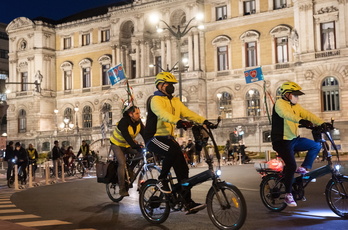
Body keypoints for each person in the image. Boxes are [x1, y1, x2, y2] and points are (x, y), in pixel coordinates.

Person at [144, 72, 214, 214]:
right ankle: (162, 178)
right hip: (154, 138)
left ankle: (187, 202)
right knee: (172, 151)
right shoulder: (155, 100)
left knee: (183, 169)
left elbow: (187, 112)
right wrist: (178, 121)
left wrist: (204, 121)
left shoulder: (175, 101)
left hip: (168, 138)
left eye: (173, 85)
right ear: (161, 85)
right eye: (169, 84)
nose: (172, 87)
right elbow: (163, 114)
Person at [271, 81, 332, 207]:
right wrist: (301, 120)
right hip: (281, 141)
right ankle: (288, 195)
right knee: (291, 166)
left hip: (294, 139)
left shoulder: (295, 106)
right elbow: (286, 115)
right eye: (295, 94)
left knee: (316, 145)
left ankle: (304, 168)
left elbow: (307, 114)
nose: (297, 97)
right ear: (287, 94)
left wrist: (322, 123)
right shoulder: (279, 104)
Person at [109, 105, 145, 197]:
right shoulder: (123, 122)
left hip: (127, 144)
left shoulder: (138, 122)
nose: (139, 115)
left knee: (140, 153)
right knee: (122, 163)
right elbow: (127, 136)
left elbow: (145, 134)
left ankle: (130, 169)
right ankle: (122, 188)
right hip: (116, 144)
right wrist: (135, 146)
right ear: (130, 114)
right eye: (137, 113)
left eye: (139, 113)